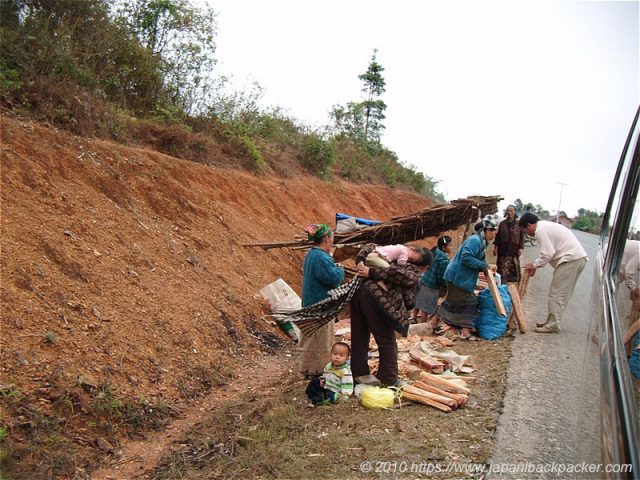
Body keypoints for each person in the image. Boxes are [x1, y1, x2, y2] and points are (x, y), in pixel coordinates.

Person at [350, 243, 432, 387]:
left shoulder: (388, 253)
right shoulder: (410, 268)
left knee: (359, 335)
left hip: (359, 292)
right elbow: (409, 296)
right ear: (424, 266)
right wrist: (372, 272)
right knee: (387, 340)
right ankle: (388, 378)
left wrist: (361, 262)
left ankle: (359, 373)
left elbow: (370, 246)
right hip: (375, 300)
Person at [519, 213, 588, 333]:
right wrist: (536, 266)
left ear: (529, 225)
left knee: (557, 293)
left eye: (524, 229)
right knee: (560, 293)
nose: (525, 232)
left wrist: (534, 265)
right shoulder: (544, 227)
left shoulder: (541, 230)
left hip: (571, 259)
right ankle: (551, 321)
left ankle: (553, 324)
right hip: (575, 259)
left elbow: (548, 253)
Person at [437, 216, 498, 341]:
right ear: (486, 231)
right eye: (493, 232)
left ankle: (436, 322)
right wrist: (483, 265)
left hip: (460, 277)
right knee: (471, 303)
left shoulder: (480, 242)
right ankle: (465, 332)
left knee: (452, 301)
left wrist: (487, 266)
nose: (493, 236)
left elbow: (479, 259)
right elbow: (466, 258)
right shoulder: (475, 240)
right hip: (458, 277)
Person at [300, 223, 345, 376]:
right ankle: (319, 370)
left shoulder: (312, 254)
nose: (332, 241)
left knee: (310, 339)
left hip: (310, 303)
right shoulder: (321, 257)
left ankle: (306, 368)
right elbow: (333, 278)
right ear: (326, 238)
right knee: (322, 340)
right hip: (320, 305)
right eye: (331, 237)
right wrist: (340, 269)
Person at [414, 235, 453, 331]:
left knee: (419, 300)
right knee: (426, 306)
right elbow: (441, 276)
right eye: (450, 245)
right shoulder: (444, 260)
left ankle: (414, 318)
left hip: (423, 278)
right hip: (432, 284)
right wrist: (443, 285)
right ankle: (422, 326)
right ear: (443, 247)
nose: (451, 247)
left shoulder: (434, 251)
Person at [305, 342, 353, 406]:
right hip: (325, 386)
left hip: (334, 392)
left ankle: (316, 401)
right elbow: (325, 375)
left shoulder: (345, 371)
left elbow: (347, 385)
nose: (337, 357)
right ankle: (311, 395)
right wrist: (322, 380)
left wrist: (344, 396)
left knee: (328, 396)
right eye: (335, 354)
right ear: (331, 354)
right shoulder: (329, 366)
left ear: (347, 358)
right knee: (315, 381)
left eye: (341, 355)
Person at [493, 205, 524, 283]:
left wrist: (520, 248)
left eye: (512, 210)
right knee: (501, 269)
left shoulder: (519, 224)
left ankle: (514, 285)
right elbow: (498, 236)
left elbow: (521, 236)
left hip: (514, 249)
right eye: (508, 211)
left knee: (514, 268)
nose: (510, 212)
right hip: (503, 249)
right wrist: (495, 247)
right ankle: (502, 284)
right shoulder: (502, 223)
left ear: (515, 212)